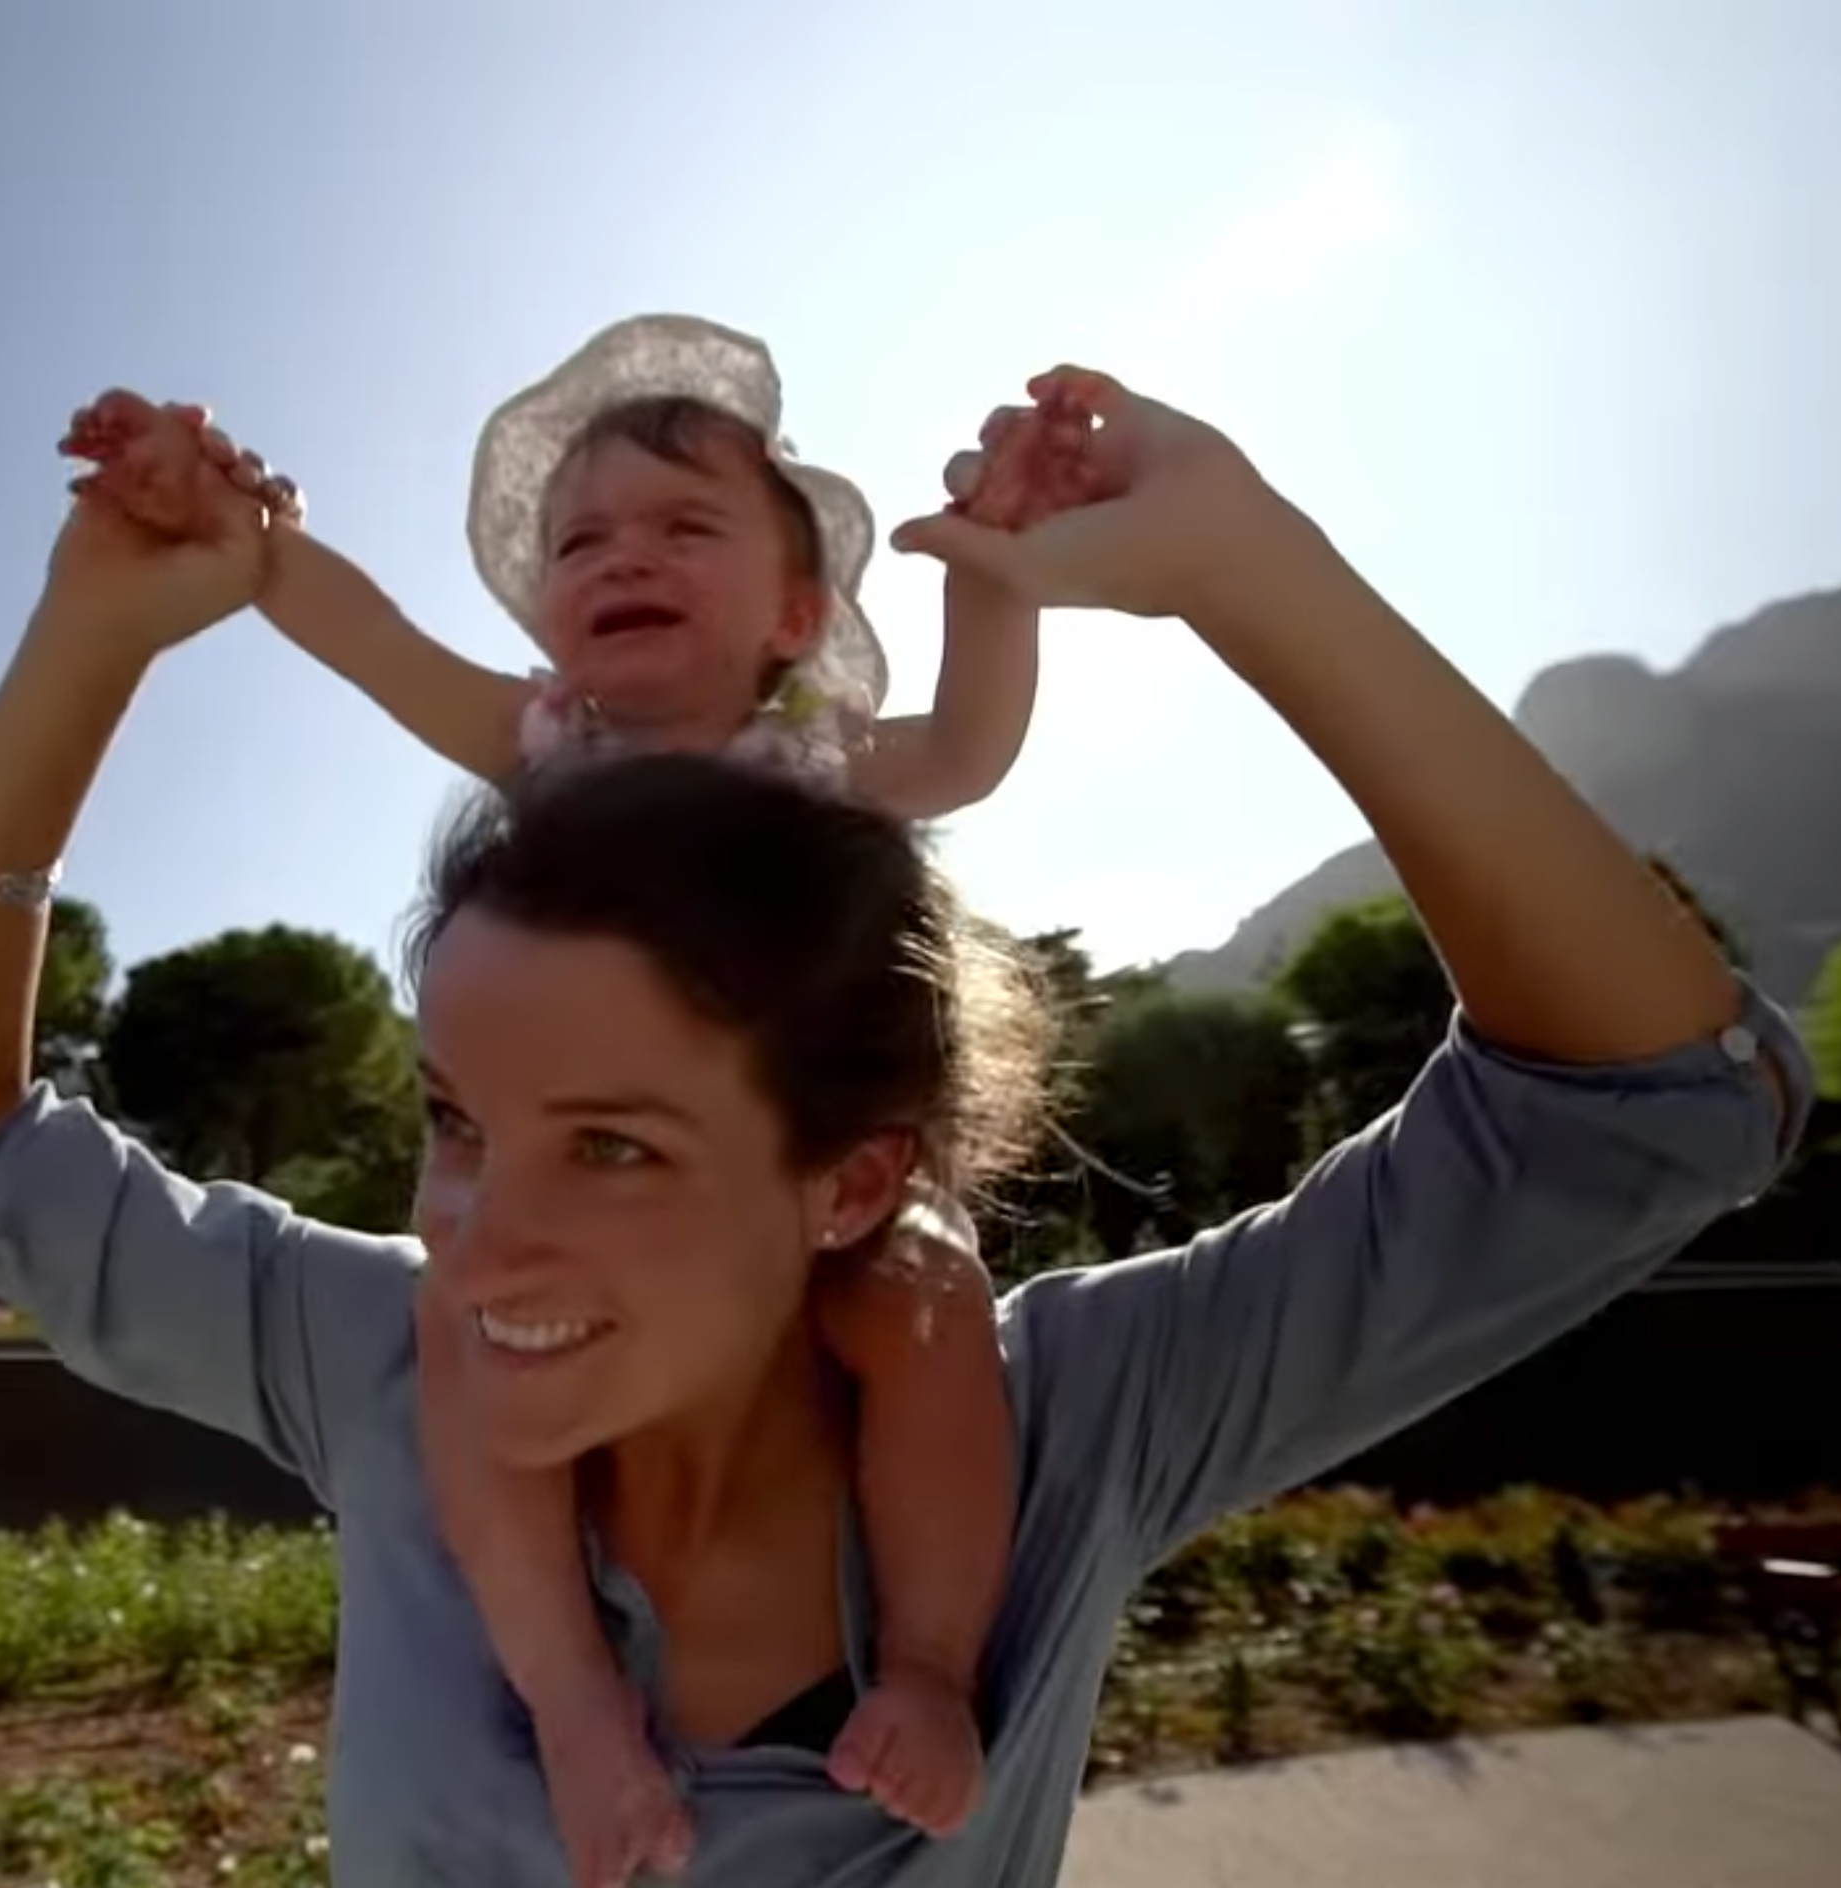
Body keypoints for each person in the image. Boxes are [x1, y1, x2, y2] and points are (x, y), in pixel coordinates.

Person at [0, 359, 1809, 1887]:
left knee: (921, 1302)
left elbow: (1638, 1105)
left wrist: (1232, 566)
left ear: (850, 1169)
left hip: (912, 1268)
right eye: (455, 1118)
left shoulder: (1064, 1426)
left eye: (618, 1140)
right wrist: (114, 624)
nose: (483, 1236)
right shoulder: (388, 1348)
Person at [58, 315, 1103, 1873]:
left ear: (795, 610)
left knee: (933, 1296)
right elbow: (372, 639)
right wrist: (239, 529)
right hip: (593, 1207)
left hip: (802, 1196)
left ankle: (931, 1667)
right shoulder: (539, 741)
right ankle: (572, 1701)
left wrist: (994, 569)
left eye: (685, 526)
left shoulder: (819, 758)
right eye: (581, 539)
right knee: (458, 1327)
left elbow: (970, 744)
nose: (627, 555)